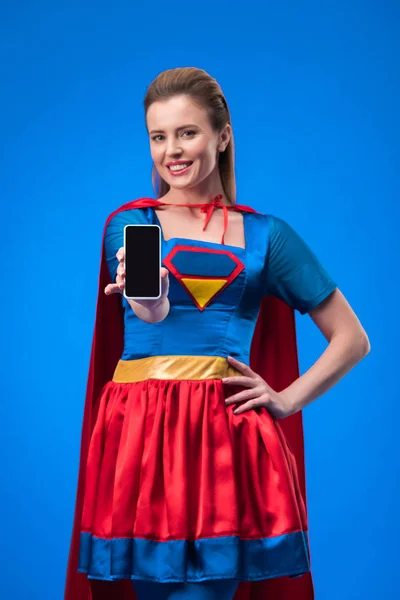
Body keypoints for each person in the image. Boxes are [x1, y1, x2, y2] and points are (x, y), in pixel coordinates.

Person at [64, 67, 370, 600]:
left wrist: (285, 399)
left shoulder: (265, 235)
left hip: (225, 437)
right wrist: (148, 294)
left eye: (187, 132)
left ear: (222, 135)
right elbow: (152, 316)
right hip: (140, 436)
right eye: (158, 136)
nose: (171, 151)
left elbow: (351, 337)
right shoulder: (135, 225)